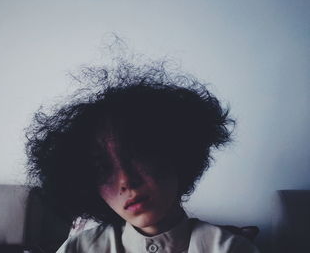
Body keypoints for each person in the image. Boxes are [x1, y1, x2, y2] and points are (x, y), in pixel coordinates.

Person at [25, 59, 259, 252]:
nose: (126, 180)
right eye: (102, 168)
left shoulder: (230, 248)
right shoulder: (80, 248)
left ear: (175, 152)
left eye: (138, 155)